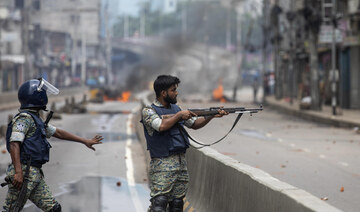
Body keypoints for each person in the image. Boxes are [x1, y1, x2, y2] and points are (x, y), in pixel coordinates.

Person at [2, 78, 103, 212]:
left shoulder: (36, 120)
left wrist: (84, 141)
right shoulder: (24, 119)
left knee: (54, 209)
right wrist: (18, 173)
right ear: (36, 96)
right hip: (24, 175)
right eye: (43, 93)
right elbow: (14, 143)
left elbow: (59, 133)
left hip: (34, 175)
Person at [141, 75, 228, 212]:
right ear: (163, 93)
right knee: (159, 204)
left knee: (177, 205)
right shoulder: (149, 111)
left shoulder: (176, 109)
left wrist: (211, 115)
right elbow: (160, 126)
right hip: (162, 165)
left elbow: (194, 124)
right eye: (173, 90)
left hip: (181, 165)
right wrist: (179, 116)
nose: (176, 92)